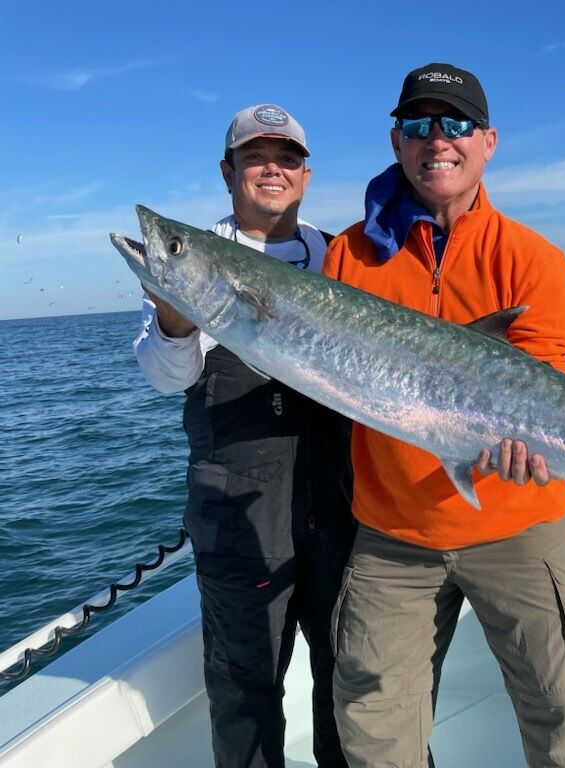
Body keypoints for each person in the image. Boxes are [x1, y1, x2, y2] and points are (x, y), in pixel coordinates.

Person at [322, 64, 565, 768]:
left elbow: (538, 390)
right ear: (397, 142)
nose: (437, 140)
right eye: (418, 124)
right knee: (374, 732)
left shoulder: (533, 259)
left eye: (457, 123)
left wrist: (521, 444)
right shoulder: (348, 254)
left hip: (517, 523)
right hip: (392, 535)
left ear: (488, 141)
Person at [134, 104, 354, 768]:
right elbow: (167, 376)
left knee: (354, 685)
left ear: (306, 175)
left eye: (286, 158)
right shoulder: (194, 255)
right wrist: (176, 319)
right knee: (245, 694)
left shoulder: (341, 254)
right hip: (239, 515)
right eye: (255, 157)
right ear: (227, 172)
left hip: (344, 506)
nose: (271, 169)